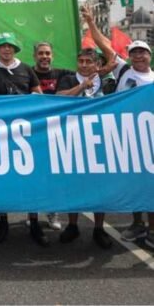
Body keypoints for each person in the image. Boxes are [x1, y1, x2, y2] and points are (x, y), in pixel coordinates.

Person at [81, 5, 154, 248]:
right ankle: (137, 223)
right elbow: (104, 45)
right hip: (124, 139)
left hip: (149, 141)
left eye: (142, 53)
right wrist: (91, 23)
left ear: (149, 55)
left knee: (150, 185)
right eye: (134, 53)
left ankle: (152, 229)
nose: (138, 57)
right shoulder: (123, 70)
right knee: (133, 184)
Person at [0, 32, 49, 246]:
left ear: (15, 49)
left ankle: (34, 222)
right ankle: (3, 221)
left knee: (31, 179)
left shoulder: (26, 69)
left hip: (27, 133)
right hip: (0, 133)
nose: (6, 49)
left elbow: (39, 95)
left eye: (10, 46)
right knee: (3, 178)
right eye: (3, 46)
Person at [56, 48, 114, 249]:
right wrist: (81, 86)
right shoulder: (68, 79)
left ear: (97, 65)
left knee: (99, 186)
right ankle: (72, 225)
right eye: (81, 61)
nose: (84, 64)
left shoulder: (108, 82)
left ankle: (99, 228)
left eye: (89, 61)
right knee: (73, 184)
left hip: (100, 139)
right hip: (73, 139)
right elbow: (59, 97)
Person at [32, 41, 75, 231]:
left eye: (47, 53)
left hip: (56, 132)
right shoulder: (27, 73)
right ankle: (32, 216)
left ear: (52, 56)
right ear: (35, 56)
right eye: (41, 53)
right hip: (33, 132)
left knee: (54, 176)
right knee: (33, 175)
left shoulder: (63, 74)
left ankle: (52, 212)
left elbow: (87, 73)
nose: (44, 57)